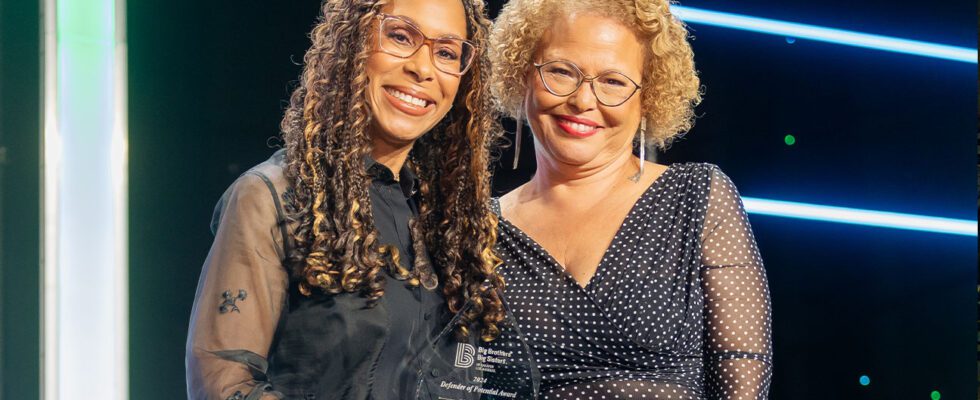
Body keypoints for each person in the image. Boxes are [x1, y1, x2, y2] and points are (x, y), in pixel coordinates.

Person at [185, 0, 507, 398]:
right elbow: (224, 384)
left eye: (446, 52)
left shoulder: (453, 222)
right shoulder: (273, 198)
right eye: (401, 36)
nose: (423, 68)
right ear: (353, 41)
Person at [488, 0, 773, 398]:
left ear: (648, 98)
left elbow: (742, 374)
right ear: (522, 75)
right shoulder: (481, 227)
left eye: (613, 82)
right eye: (560, 72)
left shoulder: (695, 198)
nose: (583, 100)